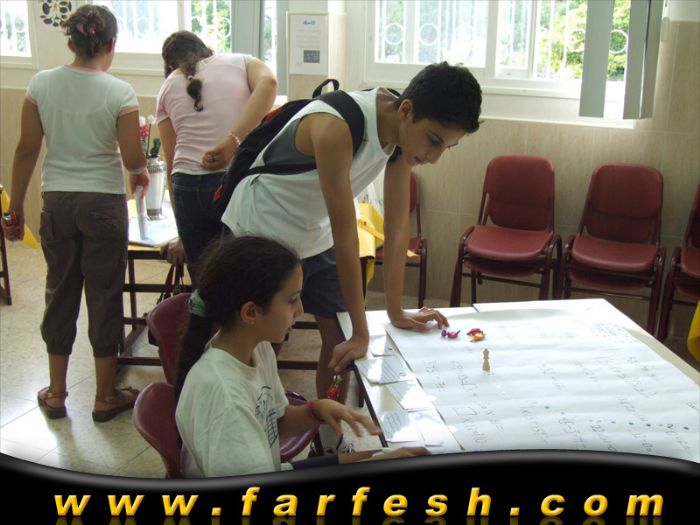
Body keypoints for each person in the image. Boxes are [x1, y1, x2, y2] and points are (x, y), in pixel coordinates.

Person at [220, 62, 482, 410]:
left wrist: (395, 311)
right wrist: (362, 332)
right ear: (406, 110)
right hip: (262, 228)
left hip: (314, 232)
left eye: (446, 147)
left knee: (340, 342)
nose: (433, 157)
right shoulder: (336, 127)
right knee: (264, 339)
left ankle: (329, 430)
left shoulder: (402, 136)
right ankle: (248, 420)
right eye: (433, 140)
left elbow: (397, 229)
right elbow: (347, 236)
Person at [1, 5, 150, 422]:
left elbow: (27, 149)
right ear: (111, 44)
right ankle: (104, 396)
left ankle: (56, 392)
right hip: (103, 204)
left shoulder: (40, 83)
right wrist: (139, 165)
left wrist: (14, 207)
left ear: (70, 42)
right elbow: (133, 159)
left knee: (60, 291)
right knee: (104, 295)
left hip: (58, 202)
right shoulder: (120, 92)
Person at [175, 236, 429, 477]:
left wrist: (316, 410)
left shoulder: (256, 348)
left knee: (390, 457)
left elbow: (277, 424)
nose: (301, 309)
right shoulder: (225, 399)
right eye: (292, 300)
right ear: (251, 312)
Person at [156, 31, 277, 277]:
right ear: (209, 50)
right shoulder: (242, 62)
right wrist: (233, 141)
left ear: (170, 66)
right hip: (233, 181)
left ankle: (205, 304)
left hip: (187, 186)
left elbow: (171, 163)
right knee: (243, 273)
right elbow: (269, 83)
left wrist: (182, 233)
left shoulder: (167, 86)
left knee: (205, 278)